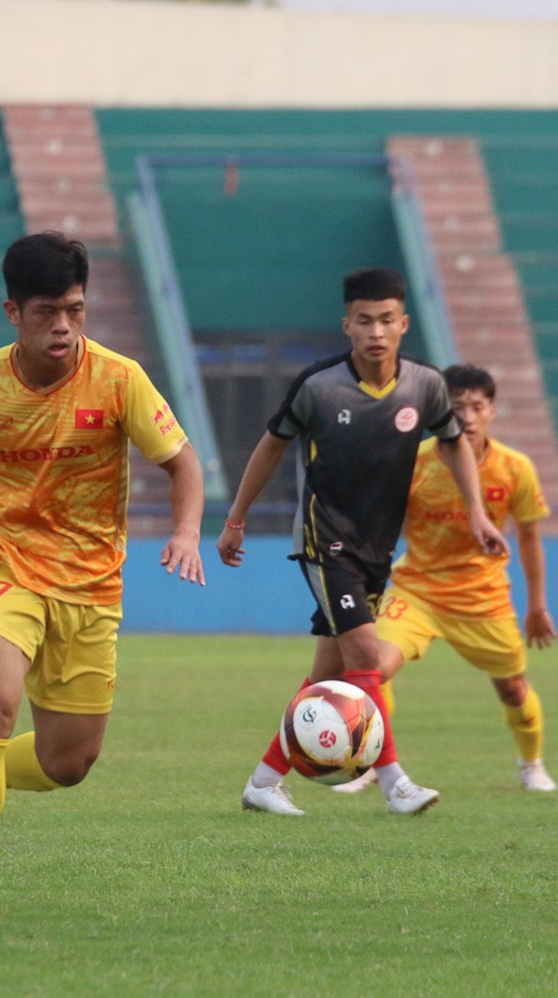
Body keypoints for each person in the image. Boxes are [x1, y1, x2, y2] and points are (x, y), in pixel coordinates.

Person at [0, 231, 206, 921]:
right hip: (6, 566)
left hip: (91, 587)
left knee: (68, 765)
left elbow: (182, 463)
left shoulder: (120, 379)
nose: (63, 326)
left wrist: (184, 531)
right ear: (12, 312)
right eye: (46, 312)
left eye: (76, 310)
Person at [216, 268, 505, 817]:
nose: (376, 331)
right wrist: (236, 518)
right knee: (366, 655)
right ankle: (396, 783)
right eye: (365, 321)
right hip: (327, 543)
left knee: (327, 672)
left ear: (404, 324)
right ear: (347, 324)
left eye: (387, 320)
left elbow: (452, 444)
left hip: (377, 548)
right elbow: (271, 448)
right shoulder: (318, 387)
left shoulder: (425, 386)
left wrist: (477, 513)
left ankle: (262, 781)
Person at [332, 363, 558, 796]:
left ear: (492, 409)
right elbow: (381, 525)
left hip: (482, 596)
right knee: (372, 669)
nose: (468, 417)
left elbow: (529, 537)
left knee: (512, 688)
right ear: (440, 412)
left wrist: (537, 607)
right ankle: (373, 763)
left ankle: (532, 763)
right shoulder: (412, 462)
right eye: (457, 408)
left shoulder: (516, 469)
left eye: (477, 407)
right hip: (417, 589)